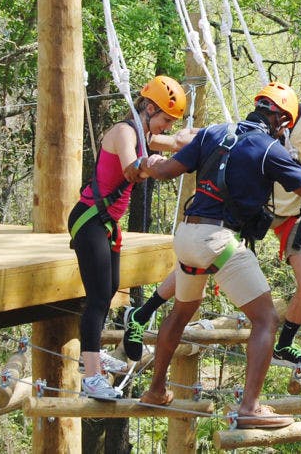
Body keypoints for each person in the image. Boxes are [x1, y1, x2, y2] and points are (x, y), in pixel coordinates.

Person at [135, 82, 301, 428]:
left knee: (181, 313)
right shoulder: (269, 148)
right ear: (281, 121)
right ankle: (250, 407)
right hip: (219, 240)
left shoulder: (214, 132)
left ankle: (155, 389)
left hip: (186, 235)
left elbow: (163, 171)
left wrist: (141, 164)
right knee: (266, 320)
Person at [68, 76, 194, 400]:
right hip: (90, 220)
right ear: (149, 108)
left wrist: (196, 140)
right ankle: (92, 375)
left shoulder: (146, 135)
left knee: (109, 290)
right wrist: (150, 164)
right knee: (97, 298)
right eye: (165, 119)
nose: (165, 127)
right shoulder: (125, 132)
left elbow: (179, 147)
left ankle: (91, 355)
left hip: (106, 224)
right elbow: (129, 168)